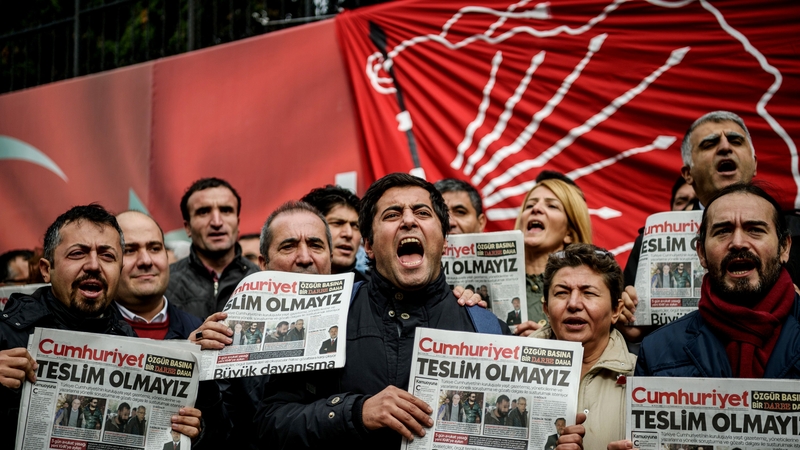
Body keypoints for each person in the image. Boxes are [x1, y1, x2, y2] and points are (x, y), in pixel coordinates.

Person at [256, 173, 508, 449]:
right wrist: (354, 413)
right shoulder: (324, 316)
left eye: (422, 212)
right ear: (369, 246)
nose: (409, 221)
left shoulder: (488, 329)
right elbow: (270, 424)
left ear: (445, 240)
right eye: (392, 215)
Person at [0, 205, 138, 442]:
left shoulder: (133, 345)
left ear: (120, 270)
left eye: (107, 255)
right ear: (46, 270)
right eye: (77, 253)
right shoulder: (5, 334)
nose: (94, 265)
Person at [636, 183, 799, 378]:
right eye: (722, 231)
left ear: (784, 248)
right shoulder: (657, 349)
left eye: (755, 229)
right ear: (701, 253)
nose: (738, 243)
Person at [532, 243, 635, 450]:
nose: (573, 303)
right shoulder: (510, 367)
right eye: (562, 292)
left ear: (616, 309)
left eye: (589, 293)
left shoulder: (642, 374)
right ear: (546, 308)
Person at [166, 178, 259, 319]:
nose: (217, 222)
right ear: (188, 227)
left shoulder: (262, 281)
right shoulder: (165, 283)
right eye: (203, 212)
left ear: (238, 223)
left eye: (226, 210)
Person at [514, 178, 592, 335]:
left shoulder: (591, 287)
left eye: (552, 205)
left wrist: (549, 340)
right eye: (530, 205)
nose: (536, 209)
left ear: (569, 233)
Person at [301, 185, 367, 281]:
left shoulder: (372, 292)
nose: (348, 234)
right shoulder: (279, 285)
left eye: (355, 226)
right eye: (337, 223)